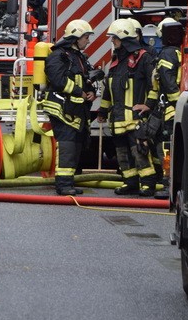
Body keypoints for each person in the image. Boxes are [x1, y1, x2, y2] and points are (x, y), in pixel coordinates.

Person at [98, 19, 157, 197]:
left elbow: (154, 85)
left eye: (114, 39)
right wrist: (102, 111)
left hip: (135, 119)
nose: (112, 42)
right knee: (122, 154)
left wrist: (148, 105)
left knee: (139, 152)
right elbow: (109, 88)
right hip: (118, 120)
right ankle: (129, 182)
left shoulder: (144, 58)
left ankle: (148, 184)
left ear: (124, 38)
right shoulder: (116, 60)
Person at [42, 19, 96, 196]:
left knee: (76, 144)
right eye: (86, 37)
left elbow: (85, 79)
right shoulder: (57, 56)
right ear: (75, 38)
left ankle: (69, 181)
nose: (88, 41)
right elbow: (58, 80)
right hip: (61, 107)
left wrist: (91, 92)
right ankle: (63, 185)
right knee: (67, 144)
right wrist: (79, 91)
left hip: (75, 109)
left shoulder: (79, 57)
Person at [142, 17, 185, 200]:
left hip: (170, 110)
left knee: (166, 149)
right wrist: (149, 106)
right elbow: (156, 86)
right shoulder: (178, 53)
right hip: (170, 108)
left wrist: (174, 103)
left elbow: (166, 82)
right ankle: (168, 182)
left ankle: (169, 186)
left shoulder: (167, 54)